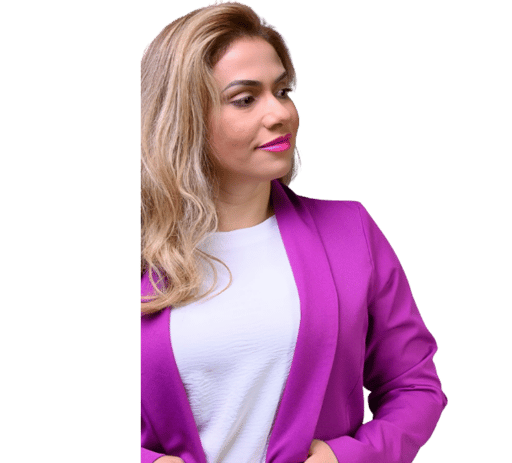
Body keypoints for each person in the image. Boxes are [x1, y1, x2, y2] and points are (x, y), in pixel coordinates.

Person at [140, 2, 447, 462]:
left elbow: (415, 386)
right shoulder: (140, 251)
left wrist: (349, 458)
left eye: (282, 91)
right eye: (245, 98)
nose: (280, 113)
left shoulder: (351, 232)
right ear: (184, 117)